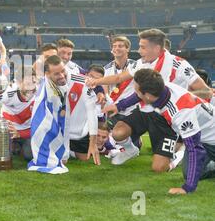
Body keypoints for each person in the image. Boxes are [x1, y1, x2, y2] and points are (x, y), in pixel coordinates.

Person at [87, 28, 211, 171]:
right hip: (145, 111)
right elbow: (119, 78)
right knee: (117, 133)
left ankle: (180, 153)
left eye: (143, 47)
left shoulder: (178, 64)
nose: (139, 51)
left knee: (159, 168)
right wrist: (96, 82)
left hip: (166, 118)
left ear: (156, 48)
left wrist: (185, 100)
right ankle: (131, 150)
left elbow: (204, 91)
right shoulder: (141, 63)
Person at [129, 69, 215, 194]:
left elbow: (195, 149)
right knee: (189, 173)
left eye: (137, 91)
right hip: (204, 138)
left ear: (147, 95)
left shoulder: (181, 112)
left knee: (193, 165)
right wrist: (118, 106)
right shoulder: (162, 88)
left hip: (211, 141)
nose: (135, 93)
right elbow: (137, 97)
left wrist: (188, 188)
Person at [28, 55, 100, 175]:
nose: (62, 76)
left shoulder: (81, 82)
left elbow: (92, 112)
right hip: (59, 133)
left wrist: (93, 143)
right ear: (47, 74)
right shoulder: (44, 87)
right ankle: (66, 150)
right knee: (62, 160)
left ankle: (71, 150)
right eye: (56, 74)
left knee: (85, 158)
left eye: (63, 71)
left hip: (78, 133)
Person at [0, 74, 36, 161]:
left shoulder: (40, 94)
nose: (31, 87)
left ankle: (19, 147)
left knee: (29, 156)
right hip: (8, 130)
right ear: (19, 83)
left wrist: (20, 134)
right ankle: (15, 146)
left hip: (28, 130)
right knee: (1, 156)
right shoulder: (7, 93)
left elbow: (42, 125)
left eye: (34, 83)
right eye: (28, 83)